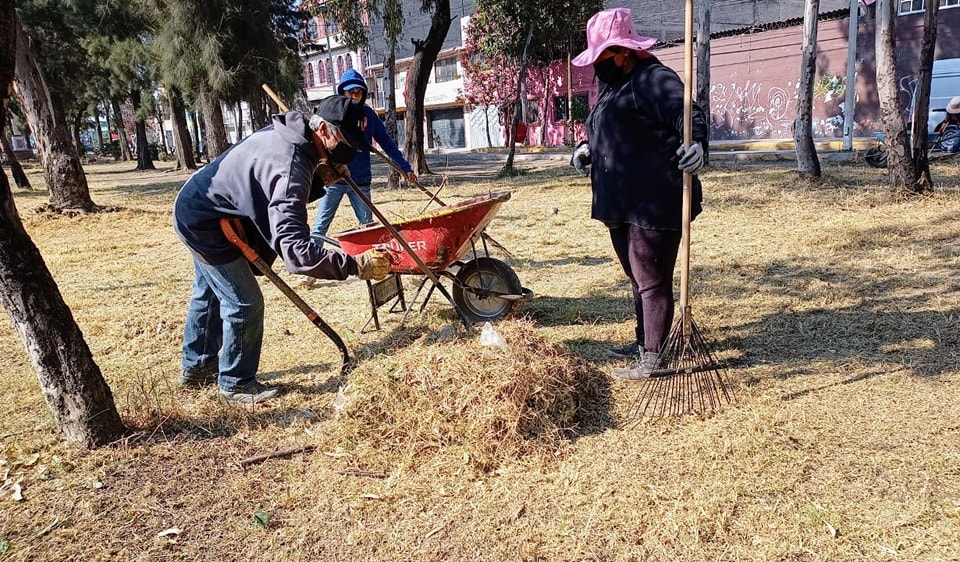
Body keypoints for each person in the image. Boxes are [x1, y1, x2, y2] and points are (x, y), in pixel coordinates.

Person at [173, 95, 392, 403]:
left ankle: (196, 368)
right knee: (244, 302)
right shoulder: (289, 165)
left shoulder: (298, 132)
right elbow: (297, 252)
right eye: (347, 142)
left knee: (209, 291)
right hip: (205, 221)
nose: (351, 152)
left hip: (207, 202)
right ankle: (235, 383)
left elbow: (277, 187)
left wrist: (323, 174)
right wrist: (355, 265)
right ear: (326, 131)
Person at [570, 7, 709, 379]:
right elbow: (614, 130)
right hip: (621, 201)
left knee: (651, 279)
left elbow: (689, 117)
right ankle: (644, 339)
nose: (597, 65)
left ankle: (653, 358)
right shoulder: (614, 86)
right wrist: (587, 147)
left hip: (655, 201)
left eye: (603, 56)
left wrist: (696, 145)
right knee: (637, 277)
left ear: (624, 52)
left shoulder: (654, 79)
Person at [309, 69, 418, 250]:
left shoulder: (369, 116)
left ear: (364, 93)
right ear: (342, 92)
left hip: (360, 180)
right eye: (350, 92)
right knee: (320, 225)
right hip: (334, 178)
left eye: (358, 92)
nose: (354, 96)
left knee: (368, 226)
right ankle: (311, 263)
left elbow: (387, 144)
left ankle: (374, 261)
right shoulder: (332, 115)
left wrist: (406, 168)